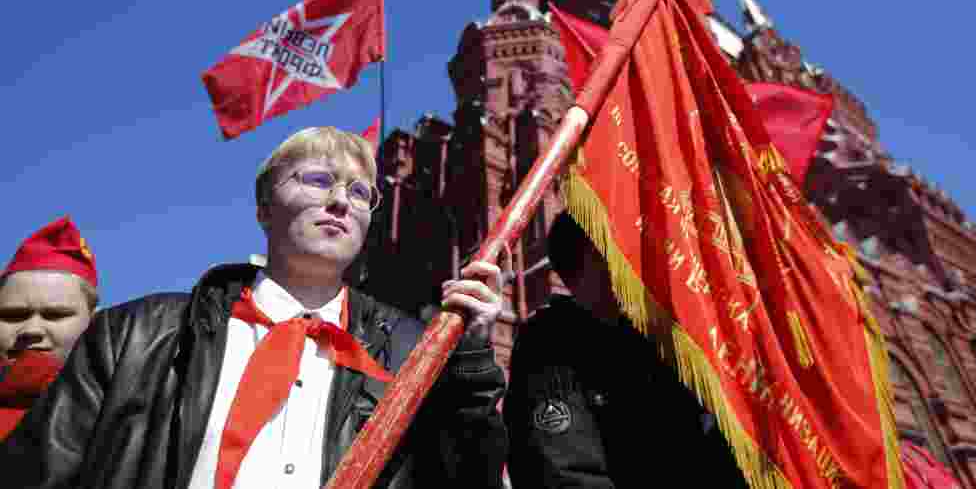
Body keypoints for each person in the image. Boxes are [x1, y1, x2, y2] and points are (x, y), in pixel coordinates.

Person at [1, 127, 508, 488]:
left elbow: (469, 473)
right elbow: (39, 471)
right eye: (316, 179)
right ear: (264, 207)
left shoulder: (411, 354)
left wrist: (472, 359)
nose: (340, 201)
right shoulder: (136, 335)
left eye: (359, 192)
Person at [503, 211, 748, 488]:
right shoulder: (551, 342)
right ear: (575, 276)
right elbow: (561, 473)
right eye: (612, 252)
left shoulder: (664, 340)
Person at [0, 216, 98, 439]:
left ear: (94, 322)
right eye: (13, 316)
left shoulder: (122, 414)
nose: (32, 330)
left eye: (55, 315)